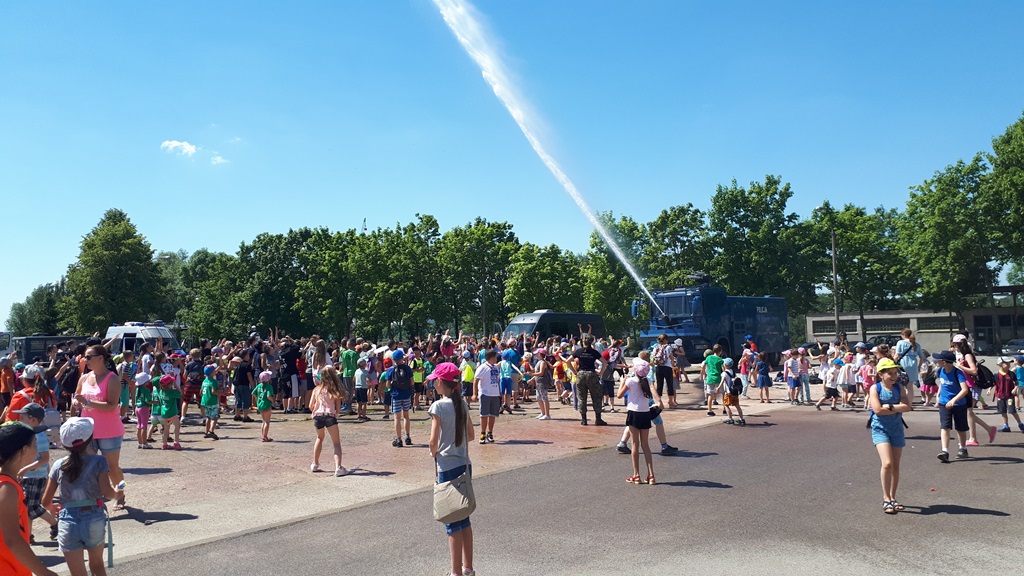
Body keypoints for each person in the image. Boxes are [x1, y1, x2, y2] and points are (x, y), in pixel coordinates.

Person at [41, 417, 124, 576]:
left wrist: (53, 508)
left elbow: (45, 501)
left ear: (64, 444)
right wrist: (118, 493)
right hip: (93, 517)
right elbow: (107, 492)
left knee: (77, 572)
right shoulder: (99, 461)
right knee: (97, 565)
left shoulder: (59, 465)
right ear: (91, 439)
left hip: (67, 521)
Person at [427, 362, 475, 576]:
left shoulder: (438, 406)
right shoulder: (462, 404)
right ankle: (468, 568)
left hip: (446, 466)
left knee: (451, 521)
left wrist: (433, 452)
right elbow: (471, 435)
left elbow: (432, 440)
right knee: (464, 518)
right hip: (464, 464)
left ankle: (455, 571)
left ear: (439, 382)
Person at [71, 345, 126, 510]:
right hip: (87, 431)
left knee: (112, 468)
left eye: (88, 357)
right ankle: (95, 498)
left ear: (100, 358)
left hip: (109, 430)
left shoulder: (112, 378)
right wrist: (76, 402)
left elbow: (111, 406)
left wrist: (87, 402)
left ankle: (120, 493)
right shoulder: (84, 377)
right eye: (84, 357)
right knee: (88, 466)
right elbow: (76, 397)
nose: (84, 360)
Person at [0, 423, 58, 576]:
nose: (37, 449)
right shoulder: (7, 489)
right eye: (34, 444)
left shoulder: (9, 484)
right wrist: (44, 572)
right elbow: (13, 540)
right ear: (24, 450)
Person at [868, 358, 911, 514]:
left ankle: (893, 498)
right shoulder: (875, 388)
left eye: (895, 373)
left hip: (897, 429)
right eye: (890, 373)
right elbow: (878, 410)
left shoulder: (899, 388)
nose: (894, 376)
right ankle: (886, 499)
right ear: (881, 374)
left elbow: (907, 407)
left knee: (896, 465)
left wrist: (891, 406)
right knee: (887, 463)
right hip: (880, 429)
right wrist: (896, 408)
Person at [12, 404, 59, 542]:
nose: (19, 420)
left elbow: (45, 458)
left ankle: (54, 523)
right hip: (28, 476)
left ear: (33, 420)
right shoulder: (29, 435)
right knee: (26, 507)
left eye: (22, 418)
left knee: (32, 507)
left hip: (36, 477)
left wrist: (26, 468)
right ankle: (28, 534)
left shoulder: (40, 437)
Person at [617, 358, 661, 485]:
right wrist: (659, 401)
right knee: (645, 444)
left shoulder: (631, 381)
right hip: (645, 412)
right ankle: (651, 474)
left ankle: (636, 475)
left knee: (635, 444)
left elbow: (620, 395)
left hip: (633, 413)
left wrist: (622, 382)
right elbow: (653, 390)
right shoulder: (647, 380)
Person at [951, 335, 996, 446]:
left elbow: (974, 371)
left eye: (954, 344)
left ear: (958, 344)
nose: (954, 347)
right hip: (968, 385)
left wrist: (961, 367)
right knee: (969, 412)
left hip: (973, 386)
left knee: (969, 412)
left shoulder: (968, 355)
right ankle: (986, 431)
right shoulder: (964, 355)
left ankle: (974, 438)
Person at [932, 351, 970, 462]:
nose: (936, 361)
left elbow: (965, 390)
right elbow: (942, 384)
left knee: (960, 428)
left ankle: (963, 448)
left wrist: (954, 400)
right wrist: (938, 395)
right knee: (945, 426)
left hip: (959, 404)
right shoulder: (940, 370)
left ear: (944, 362)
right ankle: (945, 451)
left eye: (938, 360)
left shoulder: (958, 373)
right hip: (944, 404)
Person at [310, 366, 346, 476]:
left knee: (320, 438)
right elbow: (338, 409)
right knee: (336, 442)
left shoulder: (316, 389)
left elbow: (310, 405)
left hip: (317, 415)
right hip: (330, 415)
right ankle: (338, 467)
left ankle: (315, 464)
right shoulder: (335, 390)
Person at [572, 334, 606, 426]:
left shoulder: (579, 351)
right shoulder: (594, 352)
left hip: (581, 374)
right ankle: (598, 419)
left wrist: (575, 372)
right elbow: (604, 362)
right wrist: (601, 372)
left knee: (582, 397)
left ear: (583, 341)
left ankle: (584, 420)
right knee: (596, 396)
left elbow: (567, 361)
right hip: (591, 374)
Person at [472, 350, 500, 444]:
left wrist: (500, 393)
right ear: (491, 358)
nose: (497, 359)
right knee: (484, 415)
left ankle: (490, 433)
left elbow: (497, 380)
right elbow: (476, 380)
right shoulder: (482, 367)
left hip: (495, 394)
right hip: (485, 394)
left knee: (493, 415)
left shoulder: (496, 367)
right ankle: (482, 433)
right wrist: (474, 394)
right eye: (495, 357)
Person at [389, 350, 415, 447]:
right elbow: (412, 382)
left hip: (396, 395)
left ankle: (399, 439)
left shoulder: (391, 369)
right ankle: (407, 437)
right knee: (406, 416)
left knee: (397, 417)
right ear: (402, 358)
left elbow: (387, 384)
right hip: (406, 394)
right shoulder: (407, 368)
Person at [992, 357, 1023, 432]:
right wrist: (990, 389)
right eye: (1006, 363)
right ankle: (1006, 425)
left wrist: (1015, 388)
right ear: (1000, 364)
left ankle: (1020, 424)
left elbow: (1016, 382)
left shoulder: (1011, 374)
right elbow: (994, 383)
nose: (1009, 365)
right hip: (1000, 396)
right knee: (1003, 411)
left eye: (1009, 363)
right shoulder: (996, 374)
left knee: (1012, 410)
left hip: (1009, 396)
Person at [894, 328, 926, 405]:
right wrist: (919, 367)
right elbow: (922, 357)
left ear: (904, 335)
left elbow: (897, 355)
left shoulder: (900, 343)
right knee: (910, 386)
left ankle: (902, 402)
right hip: (913, 365)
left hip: (902, 364)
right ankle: (909, 404)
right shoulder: (916, 344)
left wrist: (893, 363)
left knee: (900, 384)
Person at [157, 375, 182, 450]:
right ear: (170, 384)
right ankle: (176, 442)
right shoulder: (172, 392)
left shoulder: (161, 391)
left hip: (164, 414)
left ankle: (164, 444)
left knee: (166, 429)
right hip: (172, 413)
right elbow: (180, 393)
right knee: (177, 427)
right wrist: (175, 384)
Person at [651, 334, 676, 409]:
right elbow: (671, 357)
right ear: (666, 340)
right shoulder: (668, 347)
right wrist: (673, 363)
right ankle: (671, 402)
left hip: (658, 367)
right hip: (667, 367)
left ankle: (660, 402)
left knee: (659, 384)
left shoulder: (656, 347)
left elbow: (652, 357)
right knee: (670, 384)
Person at [200, 365, 225, 440]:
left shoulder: (204, 381)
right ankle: (211, 431)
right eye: (214, 371)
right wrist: (222, 393)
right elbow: (214, 392)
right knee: (215, 417)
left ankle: (206, 432)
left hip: (205, 401)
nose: (215, 371)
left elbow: (201, 392)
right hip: (212, 401)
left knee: (208, 417)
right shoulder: (214, 381)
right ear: (211, 373)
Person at [721, 358, 746, 426]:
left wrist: (718, 388)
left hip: (728, 392)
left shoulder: (724, 373)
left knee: (726, 405)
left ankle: (730, 419)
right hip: (735, 391)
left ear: (725, 364)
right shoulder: (733, 371)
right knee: (737, 405)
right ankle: (741, 419)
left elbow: (722, 381)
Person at [254, 370, 275, 442]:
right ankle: (265, 436)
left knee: (263, 421)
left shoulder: (258, 386)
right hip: (266, 405)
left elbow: (253, 393)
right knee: (267, 422)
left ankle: (263, 435)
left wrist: (257, 399)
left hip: (260, 405)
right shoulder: (269, 387)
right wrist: (272, 401)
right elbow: (269, 396)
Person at [704, 345, 725, 416]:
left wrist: (704, 374)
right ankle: (725, 408)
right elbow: (723, 369)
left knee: (710, 394)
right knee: (723, 393)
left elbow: (704, 365)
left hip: (710, 378)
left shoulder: (708, 358)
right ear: (720, 351)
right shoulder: (720, 360)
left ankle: (709, 410)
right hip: (718, 378)